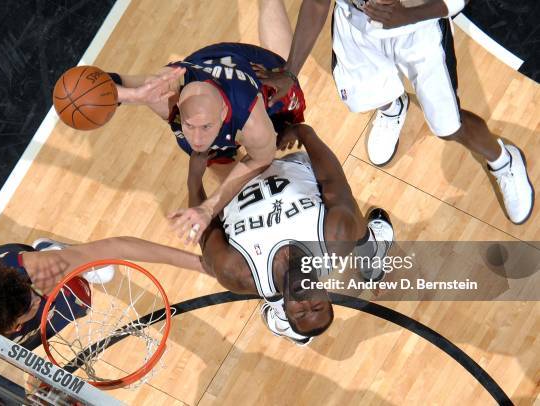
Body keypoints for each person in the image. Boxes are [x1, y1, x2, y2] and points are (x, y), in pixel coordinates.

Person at [254, 0, 534, 225]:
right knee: (367, 98)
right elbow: (317, 4)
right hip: (356, 25)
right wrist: (290, 71)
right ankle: (392, 107)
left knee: (449, 127)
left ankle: (503, 159)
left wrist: (406, 15)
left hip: (417, 29)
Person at [178, 123, 395, 345]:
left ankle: (285, 324)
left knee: (208, 138)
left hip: (235, 187)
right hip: (288, 166)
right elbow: (333, 181)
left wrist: (194, 179)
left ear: (287, 308)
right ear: (326, 294)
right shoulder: (334, 238)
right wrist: (305, 133)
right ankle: (372, 255)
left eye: (300, 312)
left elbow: (207, 231)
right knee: (348, 219)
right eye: (316, 306)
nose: (305, 301)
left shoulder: (237, 273)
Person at [108, 41, 307, 243]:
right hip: (204, 67)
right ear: (177, 106)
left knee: (271, 166)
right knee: (245, 190)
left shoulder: (253, 123)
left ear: (222, 113)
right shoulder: (162, 92)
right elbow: (106, 84)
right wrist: (132, 96)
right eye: (188, 125)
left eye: (205, 127)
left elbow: (260, 160)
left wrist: (208, 207)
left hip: (261, 75)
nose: (196, 140)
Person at [0, 237, 202, 350]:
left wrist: (201, 264)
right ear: (11, 325)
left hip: (18, 262)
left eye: (32, 295)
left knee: (81, 300)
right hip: (4, 321)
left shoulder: (33, 271)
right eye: (30, 306)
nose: (36, 300)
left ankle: (50, 248)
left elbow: (118, 246)